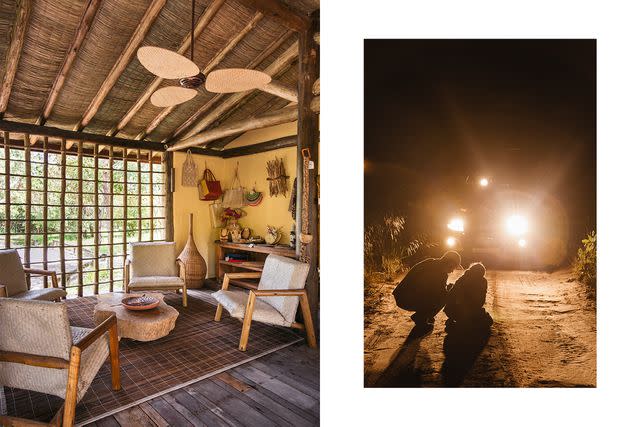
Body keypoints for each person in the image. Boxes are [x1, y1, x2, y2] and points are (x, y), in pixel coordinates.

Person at [393, 251, 463, 327]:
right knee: (445, 296)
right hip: (406, 298)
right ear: (450, 263)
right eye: (453, 267)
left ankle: (424, 315)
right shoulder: (440, 273)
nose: (452, 271)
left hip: (401, 295)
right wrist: (449, 290)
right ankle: (420, 318)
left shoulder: (431, 262)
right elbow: (436, 293)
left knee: (439, 295)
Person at [444, 262, 492, 329]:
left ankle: (460, 320)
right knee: (488, 321)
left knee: (475, 319)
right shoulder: (482, 281)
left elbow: (452, 295)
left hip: (451, 311)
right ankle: (466, 321)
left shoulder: (463, 278)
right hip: (464, 311)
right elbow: (481, 301)